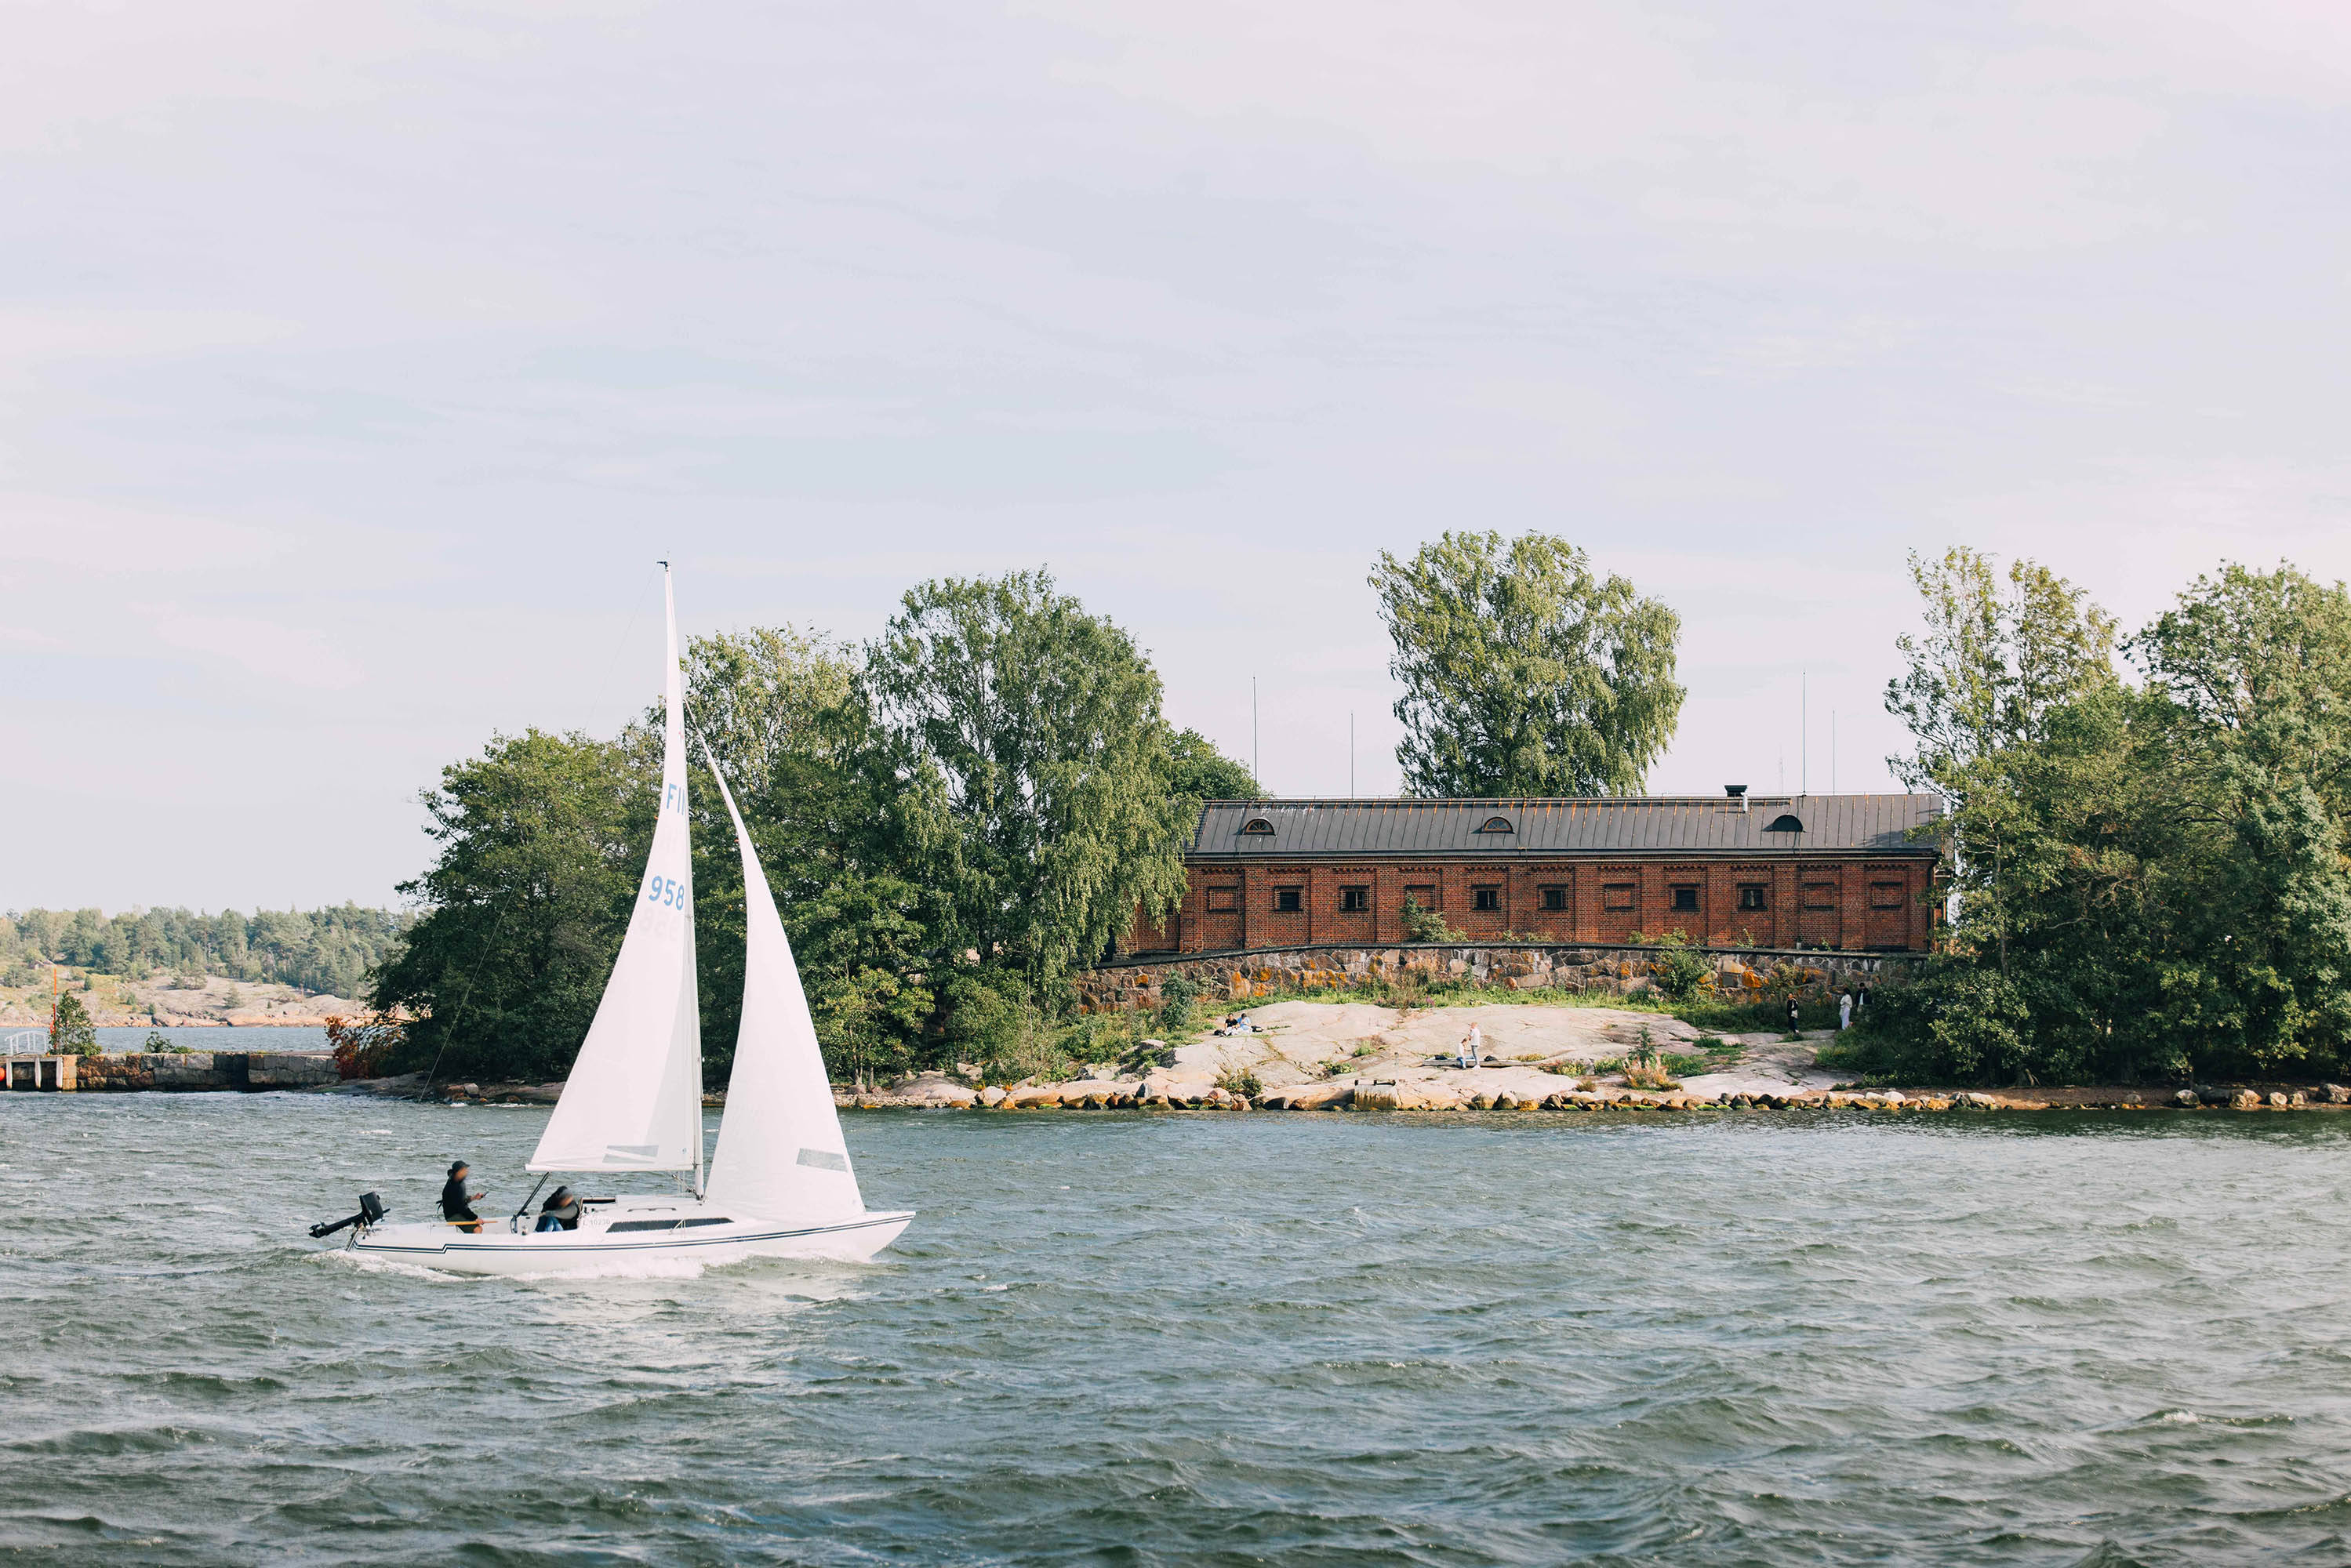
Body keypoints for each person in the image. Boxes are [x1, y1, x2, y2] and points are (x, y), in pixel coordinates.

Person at [441, 1160, 485, 1233]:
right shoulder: (454, 1185)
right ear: (459, 1171)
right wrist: (475, 1218)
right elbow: (461, 1207)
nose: (467, 1172)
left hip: (457, 1212)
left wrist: (474, 1198)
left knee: (477, 1228)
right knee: (477, 1229)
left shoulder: (457, 1181)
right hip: (453, 1215)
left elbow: (461, 1200)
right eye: (465, 1170)